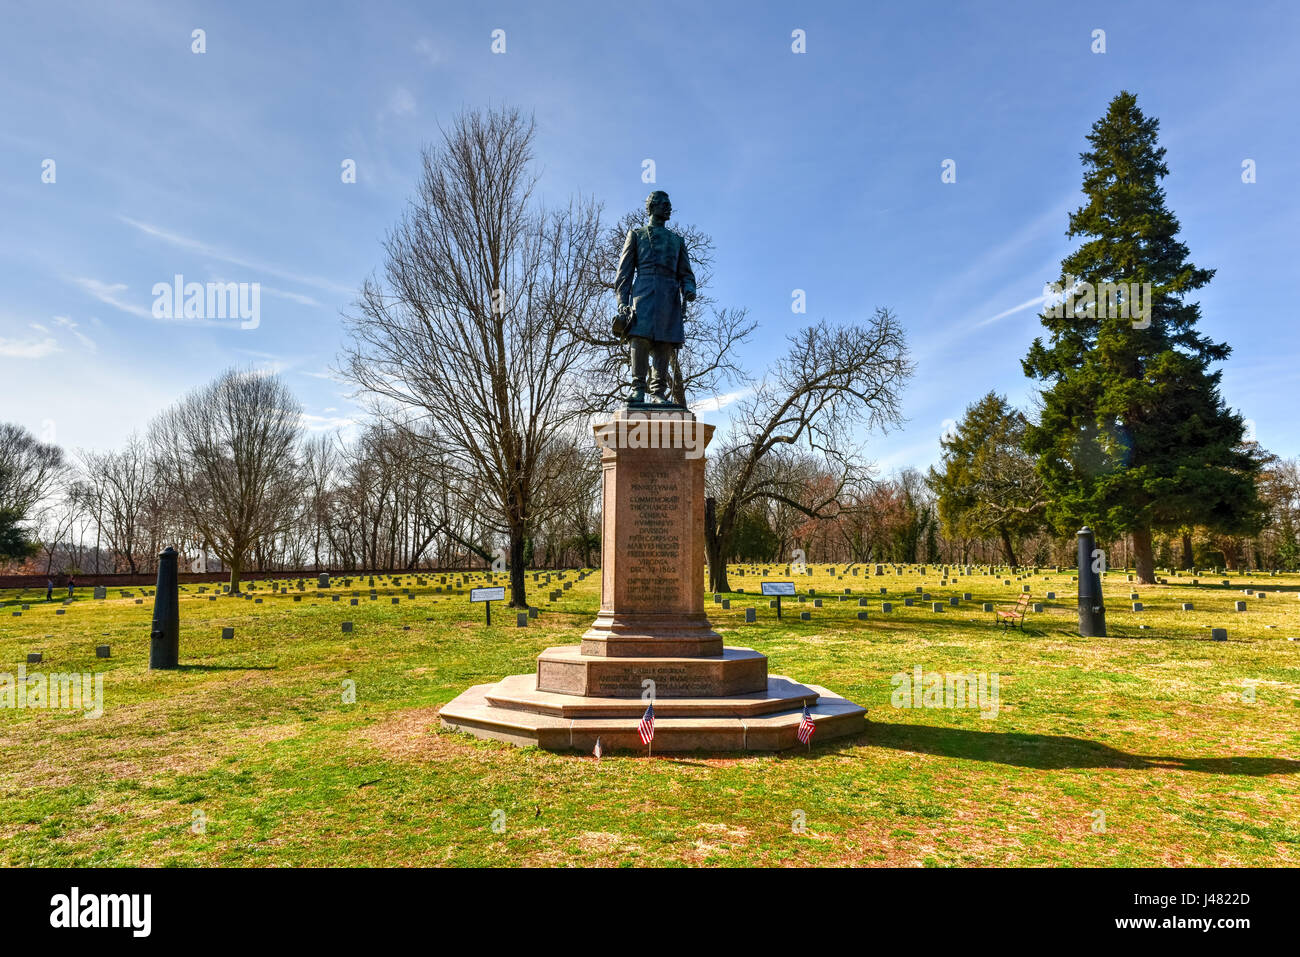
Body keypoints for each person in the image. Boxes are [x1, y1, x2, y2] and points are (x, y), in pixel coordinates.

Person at [612, 190, 697, 405]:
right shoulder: (637, 235)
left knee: (664, 344)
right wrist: (622, 302)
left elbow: (686, 273)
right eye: (663, 203)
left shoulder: (677, 241)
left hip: (669, 297)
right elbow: (624, 273)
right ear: (651, 207)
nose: (668, 207)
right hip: (644, 294)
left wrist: (689, 288)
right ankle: (637, 388)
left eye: (669, 204)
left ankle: (658, 392)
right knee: (639, 339)